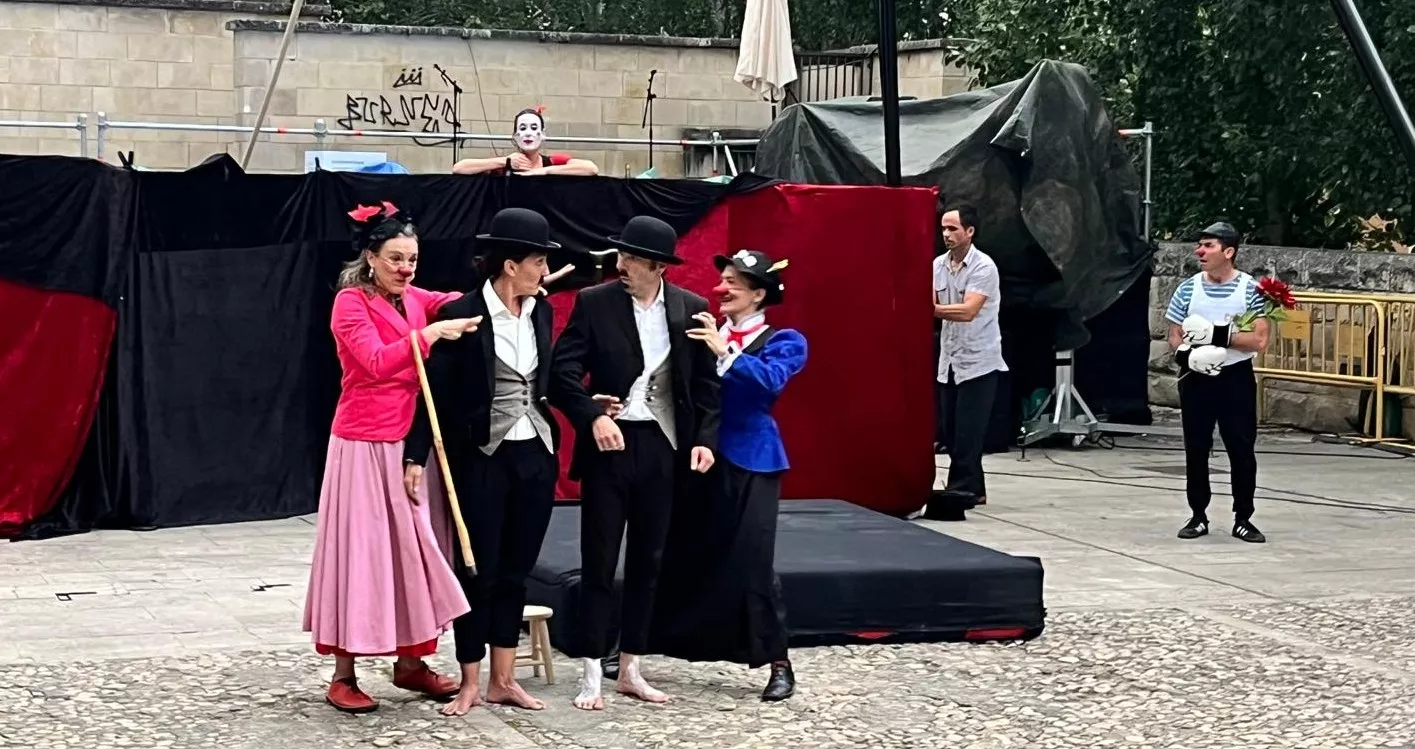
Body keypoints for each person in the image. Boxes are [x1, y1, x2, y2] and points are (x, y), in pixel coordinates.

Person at [401, 207, 584, 715]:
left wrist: (592, 412)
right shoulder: (462, 314)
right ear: (509, 264)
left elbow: (550, 383)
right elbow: (431, 391)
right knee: (477, 570)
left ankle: (504, 678)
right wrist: (416, 455)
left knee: (515, 571)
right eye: (538, 260)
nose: (544, 270)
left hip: (535, 452)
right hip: (481, 455)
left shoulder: (541, 312)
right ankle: (470, 680)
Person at [303, 200, 483, 714]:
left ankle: (411, 660)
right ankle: (344, 672)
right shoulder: (350, 304)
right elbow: (377, 363)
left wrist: (503, 288)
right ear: (371, 257)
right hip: (362, 444)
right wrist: (427, 335)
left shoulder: (414, 299)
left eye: (413, 260)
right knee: (362, 553)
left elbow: (456, 302)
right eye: (396, 259)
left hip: (408, 443)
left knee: (414, 553)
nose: (406, 269)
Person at [549, 214, 721, 711]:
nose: (620, 265)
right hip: (611, 446)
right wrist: (589, 417)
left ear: (655, 265)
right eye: (620, 256)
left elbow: (707, 387)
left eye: (629, 258)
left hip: (663, 446)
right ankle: (589, 671)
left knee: (649, 561)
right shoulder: (594, 303)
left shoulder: (691, 309)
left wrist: (704, 438)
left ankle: (632, 667)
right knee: (599, 560)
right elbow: (563, 373)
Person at [662, 248, 807, 701]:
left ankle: (778, 660)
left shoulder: (785, 339)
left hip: (752, 458)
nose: (721, 289)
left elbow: (769, 382)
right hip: (697, 454)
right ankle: (635, 644)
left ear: (758, 295)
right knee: (677, 550)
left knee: (754, 561)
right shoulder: (702, 329)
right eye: (722, 279)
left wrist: (724, 351)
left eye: (733, 283)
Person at [1166, 221, 1271, 543]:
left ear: (1229, 252)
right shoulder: (1188, 288)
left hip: (1234, 377)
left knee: (1241, 446)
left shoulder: (1251, 289)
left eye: (1208, 246)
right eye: (1200, 245)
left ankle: (1244, 517)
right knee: (1196, 447)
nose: (1200, 251)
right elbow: (1173, 335)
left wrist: (1216, 336)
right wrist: (1187, 356)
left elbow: (1260, 340)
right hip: (1196, 378)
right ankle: (1198, 514)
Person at [932, 204, 1007, 508]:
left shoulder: (984, 267)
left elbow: (969, 310)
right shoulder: (937, 265)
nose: (947, 235)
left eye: (953, 229)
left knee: (969, 430)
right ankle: (975, 488)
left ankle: (961, 488)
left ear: (970, 232)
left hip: (979, 360)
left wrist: (932, 310)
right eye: (944, 229)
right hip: (949, 359)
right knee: (951, 428)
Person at [452, 106, 600, 176]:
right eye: (522, 128)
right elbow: (459, 168)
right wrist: (504, 161)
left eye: (533, 127)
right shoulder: (503, 164)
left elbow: (591, 168)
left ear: (542, 134)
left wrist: (543, 171)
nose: (528, 133)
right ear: (515, 136)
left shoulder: (553, 161)